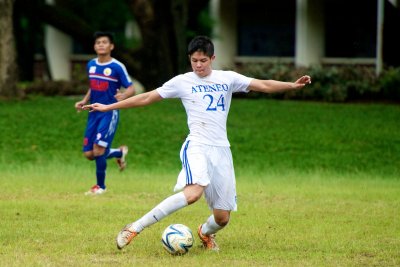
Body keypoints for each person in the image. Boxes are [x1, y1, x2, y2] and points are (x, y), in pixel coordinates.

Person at [84, 36, 311, 250]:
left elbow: (262, 85)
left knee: (222, 218)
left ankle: (205, 232)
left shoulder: (228, 78)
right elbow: (146, 97)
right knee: (193, 194)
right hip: (197, 145)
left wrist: (291, 85)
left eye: (203, 60)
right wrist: (107, 107)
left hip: (222, 150)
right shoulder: (182, 81)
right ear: (189, 59)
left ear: (212, 59)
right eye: (194, 61)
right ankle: (135, 227)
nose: (199, 65)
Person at [75, 31, 136, 195]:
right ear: (94, 46)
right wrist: (84, 100)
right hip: (93, 112)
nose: (101, 45)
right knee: (89, 154)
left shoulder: (117, 66)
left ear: (111, 46)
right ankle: (118, 152)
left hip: (109, 112)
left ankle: (100, 187)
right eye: (98, 42)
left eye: (104, 42)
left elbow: (131, 87)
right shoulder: (91, 65)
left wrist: (124, 96)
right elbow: (93, 86)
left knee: (98, 150)